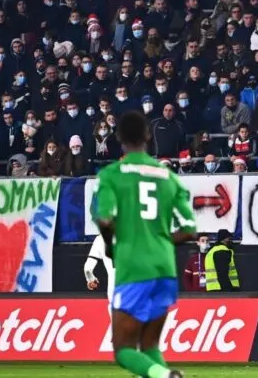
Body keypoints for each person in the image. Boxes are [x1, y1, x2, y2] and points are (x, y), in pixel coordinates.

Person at [93, 111, 197, 378]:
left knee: (123, 350)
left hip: (133, 267)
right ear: (148, 136)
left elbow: (104, 219)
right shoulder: (168, 176)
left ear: (119, 138)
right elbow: (189, 229)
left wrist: (109, 246)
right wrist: (159, 240)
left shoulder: (111, 174)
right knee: (150, 346)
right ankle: (163, 374)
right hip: (164, 268)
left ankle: (166, 376)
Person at [85, 230, 114, 300]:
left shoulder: (100, 239)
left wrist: (90, 279)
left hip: (114, 290)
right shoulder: (136, 236)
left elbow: (88, 269)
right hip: (137, 288)